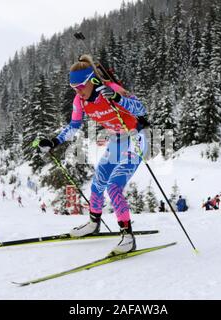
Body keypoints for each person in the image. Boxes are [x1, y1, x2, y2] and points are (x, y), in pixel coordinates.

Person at [31, 55, 149, 255]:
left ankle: (128, 237)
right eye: (73, 87)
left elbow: (141, 109)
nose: (77, 91)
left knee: (113, 186)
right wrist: (54, 141)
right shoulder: (80, 101)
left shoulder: (112, 90)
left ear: (93, 81)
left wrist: (118, 98)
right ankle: (94, 224)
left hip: (136, 139)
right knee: (97, 184)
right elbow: (73, 126)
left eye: (80, 86)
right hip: (116, 141)